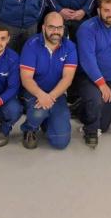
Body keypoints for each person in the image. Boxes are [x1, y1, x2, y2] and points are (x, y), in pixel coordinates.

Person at [18, 12, 78, 150]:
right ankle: (29, 128)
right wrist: (41, 95)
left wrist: (50, 97)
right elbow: (26, 78)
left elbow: (67, 78)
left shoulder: (70, 47)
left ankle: (46, 121)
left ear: (63, 28)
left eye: (59, 28)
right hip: (34, 92)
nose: (56, 32)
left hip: (57, 94)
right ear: (43, 27)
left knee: (60, 142)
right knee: (38, 112)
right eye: (51, 27)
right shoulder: (31, 45)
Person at [75, 0, 111, 147]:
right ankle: (90, 131)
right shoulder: (87, 29)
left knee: (104, 125)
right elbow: (87, 59)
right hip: (89, 78)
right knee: (96, 103)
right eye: (106, 10)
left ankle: (81, 108)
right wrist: (102, 84)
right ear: (98, 11)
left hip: (110, 78)